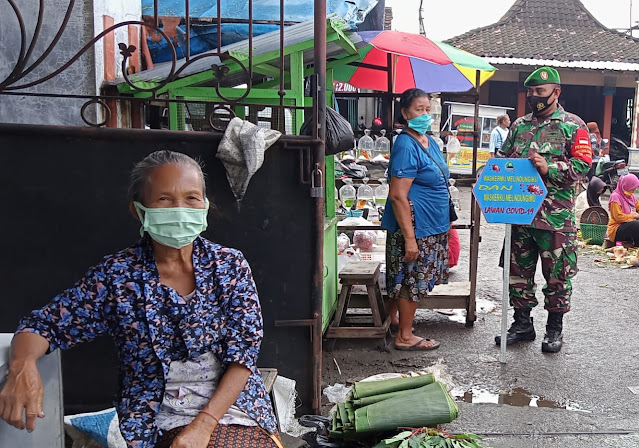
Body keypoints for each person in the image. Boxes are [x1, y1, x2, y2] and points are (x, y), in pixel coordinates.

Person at [0, 150, 281, 448]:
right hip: (157, 414)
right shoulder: (116, 277)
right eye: (164, 199)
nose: (180, 209)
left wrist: (203, 427)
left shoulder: (228, 265)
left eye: (191, 198)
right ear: (139, 210)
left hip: (231, 406)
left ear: (205, 205)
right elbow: (45, 325)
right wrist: (21, 365)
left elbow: (243, 355)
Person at [495, 67, 592, 353]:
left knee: (558, 276)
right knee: (517, 275)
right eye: (531, 92)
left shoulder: (574, 126)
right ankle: (522, 324)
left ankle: (554, 330)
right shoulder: (519, 126)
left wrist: (551, 167)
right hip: (520, 215)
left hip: (555, 218)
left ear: (556, 92)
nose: (534, 97)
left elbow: (583, 164)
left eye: (540, 92)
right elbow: (504, 159)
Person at [382, 88, 451, 351]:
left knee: (406, 277)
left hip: (431, 224)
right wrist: (410, 239)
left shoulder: (427, 140)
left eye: (427, 109)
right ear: (405, 113)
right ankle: (405, 336)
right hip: (414, 226)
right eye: (418, 109)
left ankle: (394, 320)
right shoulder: (405, 144)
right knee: (410, 279)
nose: (424, 114)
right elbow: (398, 195)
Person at [607, 174, 639, 245]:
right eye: (632, 189)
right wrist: (633, 216)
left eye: (634, 189)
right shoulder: (615, 197)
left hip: (628, 225)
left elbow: (637, 206)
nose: (633, 191)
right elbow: (618, 217)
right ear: (626, 186)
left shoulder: (631, 197)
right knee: (637, 225)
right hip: (616, 229)